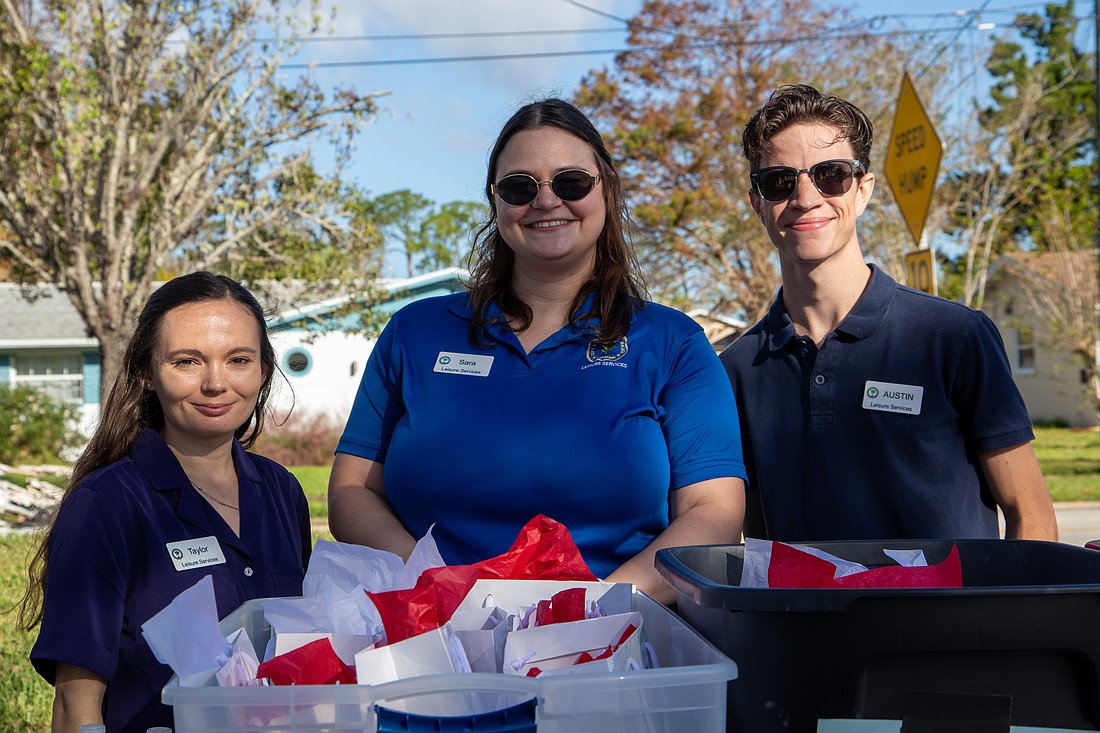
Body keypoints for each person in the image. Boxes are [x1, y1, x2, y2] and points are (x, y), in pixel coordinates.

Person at [329, 97, 747, 603]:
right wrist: (434, 585)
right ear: (495, 202)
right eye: (519, 187)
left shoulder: (674, 343)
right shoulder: (414, 332)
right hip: (430, 625)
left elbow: (713, 511)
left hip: (616, 629)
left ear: (607, 190)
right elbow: (353, 489)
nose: (546, 201)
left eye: (571, 182)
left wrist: (596, 609)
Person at [722, 83, 1059, 542]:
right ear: (757, 204)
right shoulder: (736, 371)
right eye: (779, 181)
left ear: (863, 190)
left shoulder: (954, 337)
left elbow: (1031, 518)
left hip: (955, 596)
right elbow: (757, 545)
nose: (805, 197)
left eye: (831, 175)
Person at [20, 272, 312, 733]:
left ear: (263, 370)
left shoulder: (282, 492)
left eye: (238, 359)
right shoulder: (105, 505)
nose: (215, 383)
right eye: (187, 361)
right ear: (147, 374)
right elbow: (75, 708)